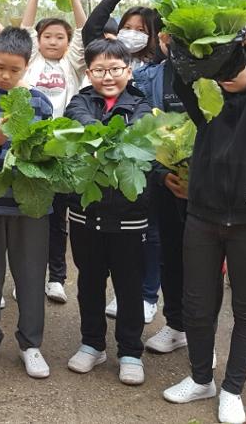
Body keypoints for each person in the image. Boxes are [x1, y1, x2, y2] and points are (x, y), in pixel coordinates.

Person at [161, 26, 246, 424]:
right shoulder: (208, 103)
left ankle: (232, 389)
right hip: (204, 214)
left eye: (240, 65)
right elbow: (183, 79)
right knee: (198, 305)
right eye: (225, 65)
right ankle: (202, 378)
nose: (232, 72)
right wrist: (177, 44)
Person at [0, 27, 55, 379]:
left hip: (30, 207)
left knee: (31, 276)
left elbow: (50, 151)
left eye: (14, 70)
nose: (5, 75)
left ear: (27, 66)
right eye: (0, 67)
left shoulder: (40, 102)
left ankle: (31, 344)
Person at [63, 38, 154, 386]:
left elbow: (138, 136)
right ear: (89, 72)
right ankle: (92, 343)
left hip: (131, 214)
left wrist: (104, 139)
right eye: (99, 69)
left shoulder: (144, 104)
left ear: (129, 71)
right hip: (86, 212)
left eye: (115, 69)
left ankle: (130, 350)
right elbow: (81, 124)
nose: (108, 76)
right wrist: (115, 139)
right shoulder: (80, 101)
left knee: (129, 284)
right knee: (88, 280)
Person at [0, 0, 88, 304]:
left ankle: (56, 278)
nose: (52, 41)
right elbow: (24, 28)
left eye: (59, 37)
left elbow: (84, 29)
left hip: (61, 149)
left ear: (67, 43)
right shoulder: (30, 61)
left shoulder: (72, 65)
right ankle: (23, 278)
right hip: (26, 145)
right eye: (47, 36)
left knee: (57, 219)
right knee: (26, 216)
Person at [82, 0, 165, 324]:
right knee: (95, 266)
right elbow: (92, 28)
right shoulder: (93, 81)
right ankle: (95, 336)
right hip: (101, 189)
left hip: (148, 167)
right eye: (126, 26)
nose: (132, 32)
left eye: (140, 28)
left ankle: (147, 297)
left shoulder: (157, 66)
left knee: (150, 238)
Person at [141, 30, 192, 357]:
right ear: (162, 38)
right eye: (172, 36)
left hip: (206, 186)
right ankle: (175, 325)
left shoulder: (214, 75)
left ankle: (204, 334)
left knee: (203, 263)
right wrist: (162, 174)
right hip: (167, 180)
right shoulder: (150, 77)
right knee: (170, 256)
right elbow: (142, 126)